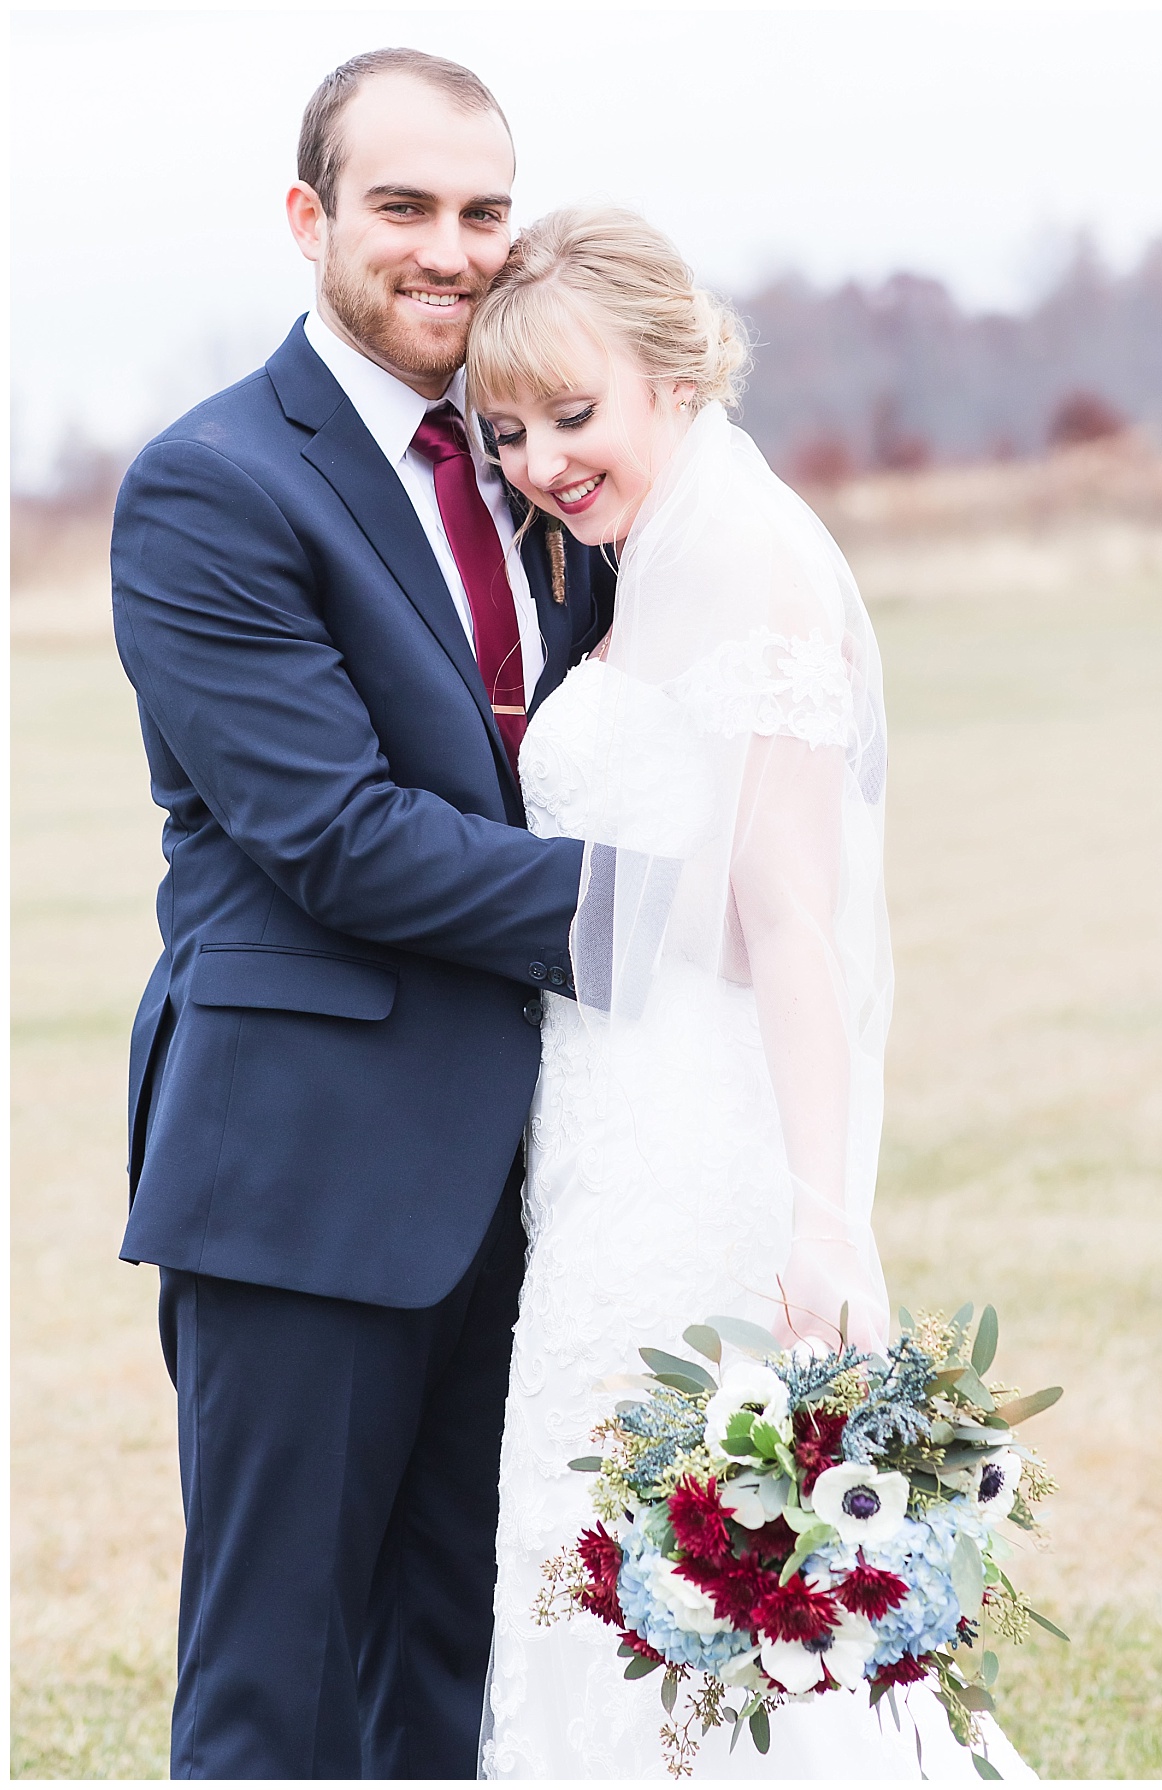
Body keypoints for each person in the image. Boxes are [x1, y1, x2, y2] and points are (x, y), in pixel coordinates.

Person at [467, 207, 1035, 1779]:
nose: (542, 462)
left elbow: (793, 923)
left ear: (671, 367)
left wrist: (824, 1222)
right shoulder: (639, 568)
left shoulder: (757, 562)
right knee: (585, 1549)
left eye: (575, 415)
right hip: (601, 1134)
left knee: (708, 1576)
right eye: (509, 431)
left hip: (701, 1144)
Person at [110, 51, 613, 1780]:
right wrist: (665, 915)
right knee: (281, 1697)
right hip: (310, 1176)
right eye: (404, 207)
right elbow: (336, 835)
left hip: (539, 1175)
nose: (452, 252)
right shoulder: (214, 483)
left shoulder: (537, 457)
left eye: (484, 211)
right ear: (312, 218)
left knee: (463, 1686)